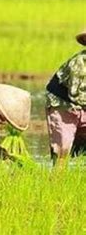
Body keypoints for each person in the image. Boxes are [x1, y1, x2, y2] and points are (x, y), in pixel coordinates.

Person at [45, 30, 86, 164]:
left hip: (83, 106)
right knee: (62, 151)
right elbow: (76, 93)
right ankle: (57, 182)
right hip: (63, 105)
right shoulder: (79, 63)